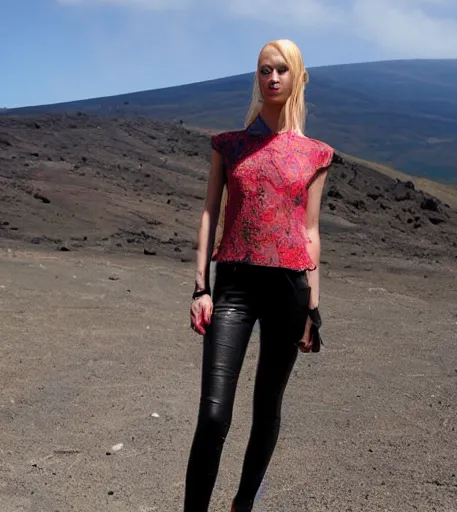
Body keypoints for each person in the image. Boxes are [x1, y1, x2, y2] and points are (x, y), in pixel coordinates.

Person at [183, 39, 334, 512]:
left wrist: (313, 308)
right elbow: (210, 212)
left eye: (282, 70)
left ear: (298, 78)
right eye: (265, 70)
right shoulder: (228, 145)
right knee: (213, 414)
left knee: (267, 409)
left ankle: (242, 504)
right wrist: (200, 287)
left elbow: (310, 232)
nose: (272, 78)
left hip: (289, 291)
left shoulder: (315, 154)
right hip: (234, 286)